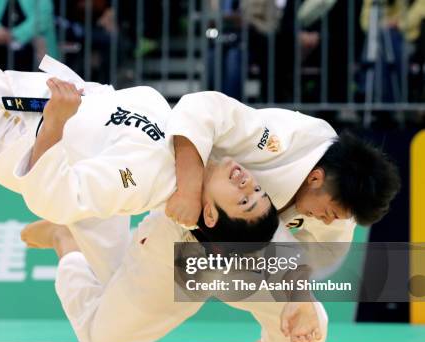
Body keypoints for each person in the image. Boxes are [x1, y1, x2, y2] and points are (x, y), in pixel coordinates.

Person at [0, 18, 278, 285]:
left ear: (209, 215)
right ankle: (115, 320)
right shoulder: (189, 146)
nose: (247, 180)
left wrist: (56, 122)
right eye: (257, 188)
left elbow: (52, 196)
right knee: (109, 254)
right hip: (38, 102)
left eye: (243, 200)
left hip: (15, 135)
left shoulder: (142, 182)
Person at [21, 214, 328, 342]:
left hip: (244, 257)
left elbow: (291, 250)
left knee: (311, 334)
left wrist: (300, 298)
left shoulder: (330, 208)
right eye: (329, 210)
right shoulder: (209, 147)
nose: (329, 217)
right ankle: (66, 241)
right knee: (103, 341)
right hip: (178, 250)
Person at [164, 92, 401, 269]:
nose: (328, 222)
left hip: (239, 251)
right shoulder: (280, 141)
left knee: (307, 321)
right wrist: (189, 191)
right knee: (141, 310)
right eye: (331, 213)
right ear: (316, 178)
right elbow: (198, 107)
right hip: (182, 203)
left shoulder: (342, 201)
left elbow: (324, 255)